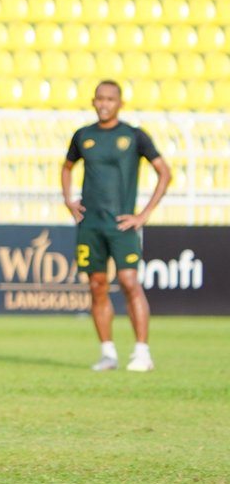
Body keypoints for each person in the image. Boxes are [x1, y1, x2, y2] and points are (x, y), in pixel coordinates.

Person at [61, 80, 170, 373]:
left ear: (120, 104)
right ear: (93, 101)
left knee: (129, 282)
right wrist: (69, 201)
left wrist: (143, 215)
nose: (104, 103)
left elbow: (164, 173)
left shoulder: (135, 136)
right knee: (97, 286)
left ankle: (142, 352)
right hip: (90, 225)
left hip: (122, 225)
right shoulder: (83, 136)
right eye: (99, 98)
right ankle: (107, 353)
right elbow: (67, 167)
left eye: (110, 99)